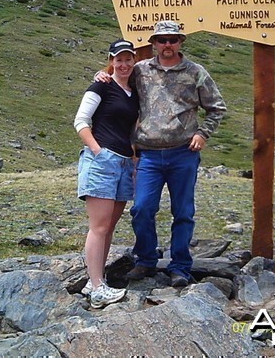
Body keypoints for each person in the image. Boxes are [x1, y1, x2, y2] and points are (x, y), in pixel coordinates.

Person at [96, 21, 226, 287]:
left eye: (173, 40)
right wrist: (102, 74)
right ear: (153, 43)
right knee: (142, 208)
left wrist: (202, 134)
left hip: (183, 154)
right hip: (148, 156)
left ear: (181, 42)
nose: (168, 45)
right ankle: (145, 260)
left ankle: (180, 266)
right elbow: (118, 79)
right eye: (162, 40)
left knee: (183, 212)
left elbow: (217, 107)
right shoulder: (140, 70)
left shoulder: (196, 72)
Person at [74, 39, 139, 308]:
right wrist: (98, 152)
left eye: (128, 59)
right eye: (118, 59)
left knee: (109, 226)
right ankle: (98, 287)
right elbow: (80, 121)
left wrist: (133, 159)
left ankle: (94, 280)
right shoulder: (101, 85)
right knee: (98, 227)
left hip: (124, 163)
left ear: (133, 60)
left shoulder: (132, 92)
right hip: (103, 162)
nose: (123, 65)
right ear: (111, 60)